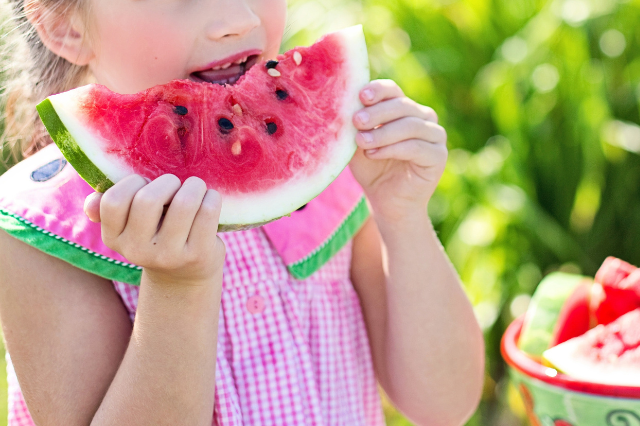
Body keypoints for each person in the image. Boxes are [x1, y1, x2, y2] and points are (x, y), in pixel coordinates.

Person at [0, 0, 484, 425]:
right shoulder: (41, 232)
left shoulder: (333, 168)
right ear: (65, 26)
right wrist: (178, 290)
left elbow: (444, 405)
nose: (238, 19)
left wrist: (403, 216)